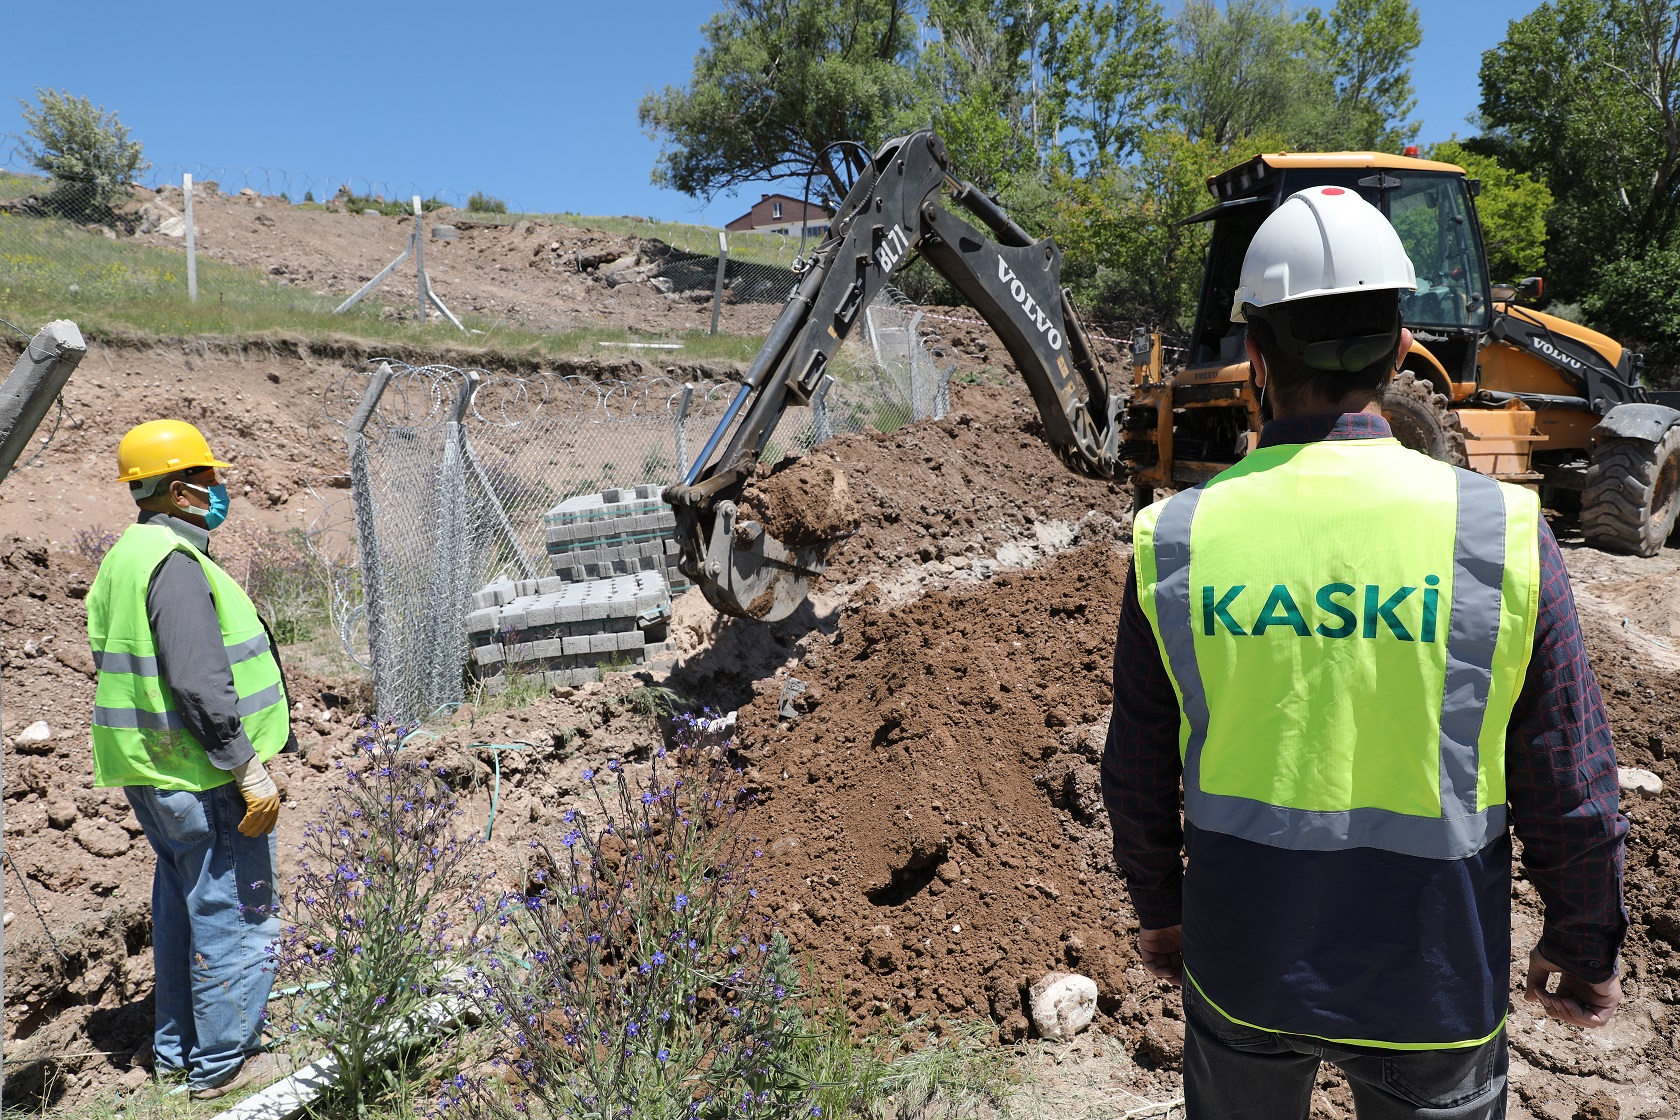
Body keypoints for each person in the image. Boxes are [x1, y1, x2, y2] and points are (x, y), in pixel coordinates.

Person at [1102, 187, 1628, 1118]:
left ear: (1257, 358)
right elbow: (1569, 778)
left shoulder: (1176, 537)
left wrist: (1159, 906)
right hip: (1433, 977)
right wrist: (1584, 942)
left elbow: (1138, 765)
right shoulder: (1500, 533)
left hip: (1245, 966)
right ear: (1396, 351)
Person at [86, 420, 293, 1099]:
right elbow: (199, 682)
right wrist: (246, 765)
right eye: (211, 479)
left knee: (185, 910)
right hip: (204, 776)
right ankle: (225, 1065)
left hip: (155, 772)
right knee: (237, 912)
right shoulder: (174, 565)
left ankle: (177, 1056)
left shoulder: (127, 554)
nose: (220, 489)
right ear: (179, 490)